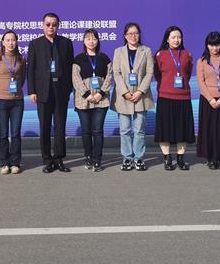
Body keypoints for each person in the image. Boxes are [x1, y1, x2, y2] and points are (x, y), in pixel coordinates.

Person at [27, 12, 74, 173]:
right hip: (42, 91)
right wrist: (32, 91)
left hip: (60, 90)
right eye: (48, 24)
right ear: (43, 26)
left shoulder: (66, 43)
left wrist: (69, 89)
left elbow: (70, 68)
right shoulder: (35, 44)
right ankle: (47, 160)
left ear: (58, 26)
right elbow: (31, 69)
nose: (51, 27)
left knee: (60, 126)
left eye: (54, 24)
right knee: (45, 126)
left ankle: (59, 159)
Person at [110, 22, 155, 171]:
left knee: (139, 130)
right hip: (123, 96)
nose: (133, 36)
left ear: (139, 34)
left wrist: (140, 91)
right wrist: (125, 92)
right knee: (124, 130)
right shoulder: (118, 51)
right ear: (125, 36)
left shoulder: (146, 51)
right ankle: (127, 158)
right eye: (130, 33)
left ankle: (139, 158)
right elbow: (116, 73)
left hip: (141, 95)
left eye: (135, 33)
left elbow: (149, 73)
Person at [154, 25, 195, 171]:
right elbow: (157, 75)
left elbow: (188, 73)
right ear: (167, 39)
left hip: (183, 97)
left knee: (182, 130)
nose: (176, 40)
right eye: (173, 37)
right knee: (165, 130)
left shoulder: (187, 54)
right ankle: (167, 158)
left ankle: (181, 158)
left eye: (179, 37)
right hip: (165, 97)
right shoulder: (160, 55)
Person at [72, 29, 113, 172]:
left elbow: (109, 77)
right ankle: (88, 156)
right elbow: (76, 79)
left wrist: (100, 93)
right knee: (86, 131)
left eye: (94, 39)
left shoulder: (104, 58)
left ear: (98, 41)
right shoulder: (78, 59)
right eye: (88, 39)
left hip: (101, 100)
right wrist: (87, 95)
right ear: (83, 41)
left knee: (97, 130)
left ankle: (97, 160)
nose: (91, 42)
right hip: (84, 100)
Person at [196, 31, 220, 169]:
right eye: (211, 45)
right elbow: (201, 82)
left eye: (217, 45)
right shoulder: (202, 61)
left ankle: (219, 158)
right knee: (209, 131)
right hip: (207, 101)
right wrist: (210, 99)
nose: (214, 48)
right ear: (207, 45)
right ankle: (210, 158)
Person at [0, 30, 26, 174]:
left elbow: (22, 77)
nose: (11, 43)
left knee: (15, 133)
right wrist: (0, 90)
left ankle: (16, 162)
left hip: (17, 101)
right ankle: (4, 162)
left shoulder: (21, 59)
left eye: (13, 40)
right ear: (3, 42)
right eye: (8, 40)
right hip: (1, 101)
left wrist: (15, 90)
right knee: (3, 133)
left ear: (16, 42)